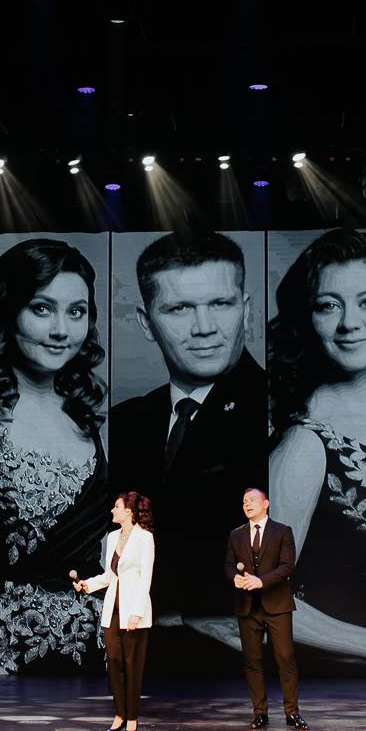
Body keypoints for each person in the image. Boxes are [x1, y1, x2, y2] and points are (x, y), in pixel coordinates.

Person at [264, 227, 366, 675]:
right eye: (328, 305)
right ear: (307, 320)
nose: (349, 322)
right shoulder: (304, 443)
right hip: (347, 688)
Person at [107, 232, 267, 675]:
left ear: (246, 309)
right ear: (146, 322)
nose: (205, 327)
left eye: (221, 304)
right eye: (180, 309)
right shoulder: (125, 421)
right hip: (136, 663)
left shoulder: (279, 411)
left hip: (240, 669)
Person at [0, 238, 111, 675]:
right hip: (4, 659)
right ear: (7, 311)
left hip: (96, 656)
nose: (62, 329)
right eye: (42, 309)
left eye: (76, 312)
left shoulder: (81, 413)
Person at [72, 491, 157, 731]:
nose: (112, 510)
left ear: (128, 511)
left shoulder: (144, 538)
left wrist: (137, 613)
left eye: (116, 507)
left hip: (134, 611)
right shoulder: (112, 537)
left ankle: (132, 717)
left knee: (132, 666)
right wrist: (87, 585)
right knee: (114, 663)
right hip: (113, 610)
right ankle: (119, 714)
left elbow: (145, 578)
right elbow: (110, 576)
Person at [228, 487, 304, 728]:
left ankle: (292, 712)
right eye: (244, 502)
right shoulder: (236, 535)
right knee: (252, 661)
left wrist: (261, 581)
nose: (248, 504)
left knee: (285, 657)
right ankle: (260, 711)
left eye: (252, 500)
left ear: (266, 503)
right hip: (247, 606)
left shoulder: (282, 531)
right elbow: (228, 565)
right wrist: (234, 578)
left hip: (277, 603)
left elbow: (287, 566)